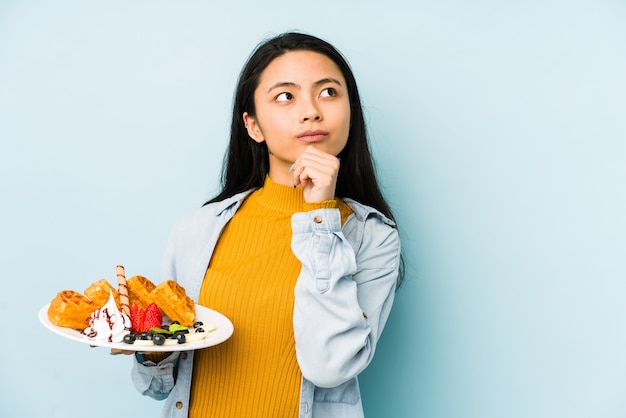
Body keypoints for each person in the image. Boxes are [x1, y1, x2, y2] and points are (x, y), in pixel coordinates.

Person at [126, 31, 404, 418]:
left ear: (349, 111)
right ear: (253, 125)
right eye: (285, 96)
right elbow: (156, 386)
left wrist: (320, 213)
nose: (311, 111)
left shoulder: (373, 237)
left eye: (328, 92)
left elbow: (329, 367)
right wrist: (147, 347)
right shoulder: (196, 230)